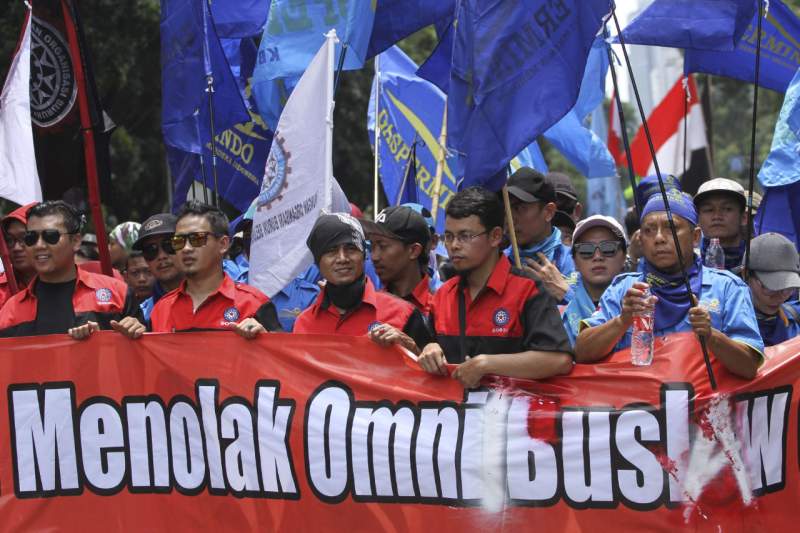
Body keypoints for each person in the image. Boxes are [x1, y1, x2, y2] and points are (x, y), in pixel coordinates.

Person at [575, 191, 764, 380]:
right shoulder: (624, 289)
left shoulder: (727, 288)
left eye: (670, 228)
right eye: (649, 230)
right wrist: (622, 321)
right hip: (638, 407)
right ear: (640, 240)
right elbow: (582, 353)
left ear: (695, 237)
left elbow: (749, 367)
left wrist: (711, 336)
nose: (659, 238)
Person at [417, 187, 573, 388]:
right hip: (453, 415)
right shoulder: (443, 295)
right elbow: (427, 347)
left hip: (512, 414)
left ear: (495, 236)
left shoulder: (527, 289)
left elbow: (559, 360)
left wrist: (486, 365)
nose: (454, 245)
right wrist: (430, 348)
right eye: (448, 236)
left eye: (465, 236)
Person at [112, 201, 282, 338]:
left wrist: (265, 340)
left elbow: (285, 366)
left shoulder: (253, 304)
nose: (186, 248)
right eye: (178, 241)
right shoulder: (161, 310)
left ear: (223, 244)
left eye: (196, 239)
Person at [0, 201, 141, 338]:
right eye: (31, 238)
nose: (39, 245)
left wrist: (134, 333)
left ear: (76, 241)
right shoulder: (10, 312)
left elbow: (143, 356)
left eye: (51, 236)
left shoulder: (117, 294)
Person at [293, 213, 432, 353]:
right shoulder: (304, 324)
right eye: (331, 251)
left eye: (351, 249)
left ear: (364, 255)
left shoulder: (404, 313)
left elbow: (433, 370)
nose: (342, 258)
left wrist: (411, 347)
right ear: (317, 262)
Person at [561, 215, 628, 347]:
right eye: (586, 250)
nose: (597, 257)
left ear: (624, 256)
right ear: (574, 261)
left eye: (608, 248)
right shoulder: (558, 316)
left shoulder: (644, 302)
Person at [362, 205, 433, 314]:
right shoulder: (368, 307)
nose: (374, 257)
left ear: (414, 250)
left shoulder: (442, 308)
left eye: (382, 246)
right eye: (372, 246)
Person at [506, 167, 575, 277]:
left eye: (519, 208)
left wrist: (563, 292)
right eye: (507, 209)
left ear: (549, 212)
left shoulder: (575, 262)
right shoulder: (498, 262)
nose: (510, 219)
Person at [743, 233, 800, 347]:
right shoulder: (729, 326)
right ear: (746, 274)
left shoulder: (795, 316)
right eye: (770, 287)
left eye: (787, 288)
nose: (779, 296)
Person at [132, 213, 184, 322]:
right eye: (151, 250)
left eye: (169, 245)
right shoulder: (143, 316)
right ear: (146, 260)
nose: (162, 256)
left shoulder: (222, 293)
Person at [694, 178, 748, 271]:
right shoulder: (688, 264)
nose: (717, 216)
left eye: (727, 209)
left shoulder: (757, 262)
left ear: (743, 218)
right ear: (697, 219)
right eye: (709, 210)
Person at [1, 202, 39, 307]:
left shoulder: (70, 283)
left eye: (24, 238)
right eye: (9, 240)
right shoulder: (1, 290)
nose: (16, 248)